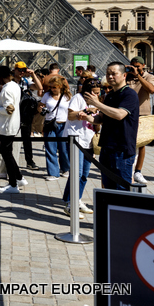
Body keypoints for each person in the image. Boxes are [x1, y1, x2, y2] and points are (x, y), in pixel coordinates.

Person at [84, 62, 139, 191]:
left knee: (122, 190)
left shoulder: (129, 94)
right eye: (108, 73)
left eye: (114, 73)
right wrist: (88, 117)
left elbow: (119, 115)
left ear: (124, 75)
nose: (110, 76)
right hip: (107, 147)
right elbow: (102, 118)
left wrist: (97, 104)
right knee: (108, 188)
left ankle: (124, 212)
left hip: (122, 149)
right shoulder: (110, 96)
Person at [65, 78, 101, 217]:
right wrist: (86, 110)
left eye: (97, 93)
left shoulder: (97, 102)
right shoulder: (77, 98)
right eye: (93, 92)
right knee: (77, 173)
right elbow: (70, 115)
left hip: (88, 141)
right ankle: (71, 204)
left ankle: (76, 200)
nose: (95, 95)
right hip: (76, 139)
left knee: (84, 174)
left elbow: (96, 123)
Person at [0, 66, 27, 193]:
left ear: (0, 76)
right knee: (7, 153)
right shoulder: (15, 85)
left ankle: (13, 184)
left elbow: (9, 109)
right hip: (13, 124)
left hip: (6, 125)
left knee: (6, 153)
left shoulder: (7, 89)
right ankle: (19, 177)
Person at [125, 56, 154, 185]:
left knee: (141, 143)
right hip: (126, 113)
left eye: (138, 66)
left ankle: (138, 171)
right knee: (126, 142)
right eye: (133, 66)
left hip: (142, 113)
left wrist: (139, 76)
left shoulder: (149, 76)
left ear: (143, 65)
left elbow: (151, 89)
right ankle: (127, 168)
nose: (135, 68)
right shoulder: (127, 77)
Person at [40, 75, 71, 181]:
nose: (52, 89)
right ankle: (53, 173)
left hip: (63, 124)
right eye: (51, 87)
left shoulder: (67, 96)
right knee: (50, 148)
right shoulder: (47, 95)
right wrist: (41, 109)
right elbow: (40, 106)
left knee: (64, 149)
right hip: (50, 124)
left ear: (60, 86)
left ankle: (66, 169)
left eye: (54, 87)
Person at [13, 62, 43, 170]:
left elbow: (39, 87)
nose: (21, 72)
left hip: (25, 113)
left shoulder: (26, 81)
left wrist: (33, 74)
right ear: (15, 70)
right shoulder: (11, 81)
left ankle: (29, 161)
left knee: (26, 138)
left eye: (23, 70)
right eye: (20, 70)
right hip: (13, 113)